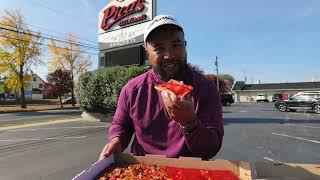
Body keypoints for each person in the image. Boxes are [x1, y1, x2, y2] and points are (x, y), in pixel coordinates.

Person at [99, 15, 223, 161]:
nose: (169, 55)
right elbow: (121, 125)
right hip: (143, 170)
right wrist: (116, 141)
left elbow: (211, 149)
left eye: (176, 45)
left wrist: (189, 123)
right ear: (147, 53)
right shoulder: (132, 89)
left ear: (185, 46)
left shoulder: (205, 88)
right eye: (159, 48)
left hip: (189, 171)